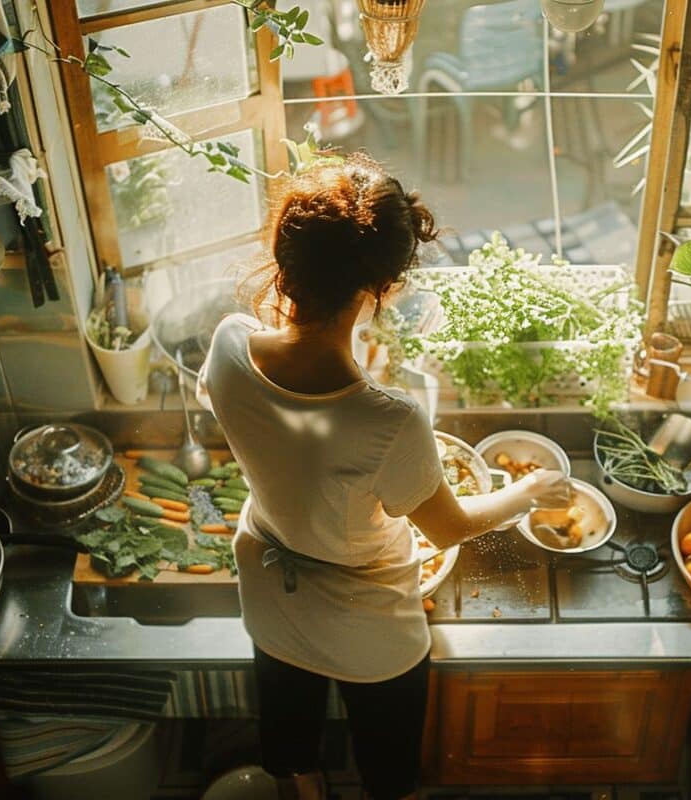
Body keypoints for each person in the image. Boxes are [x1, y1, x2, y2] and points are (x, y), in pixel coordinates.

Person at [197, 153, 570, 800]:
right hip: (368, 625)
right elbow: (449, 527)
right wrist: (526, 493)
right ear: (384, 288)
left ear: (285, 253)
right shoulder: (389, 419)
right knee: (390, 775)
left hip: (269, 590)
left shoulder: (230, 343)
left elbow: (276, 414)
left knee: (291, 747)